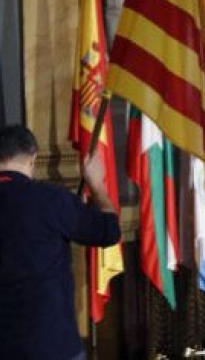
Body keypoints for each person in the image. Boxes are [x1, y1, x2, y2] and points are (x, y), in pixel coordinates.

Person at [0, 125, 121, 359]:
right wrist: (97, 186)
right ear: (33, 158)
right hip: (52, 345)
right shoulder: (51, 199)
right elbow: (109, 231)